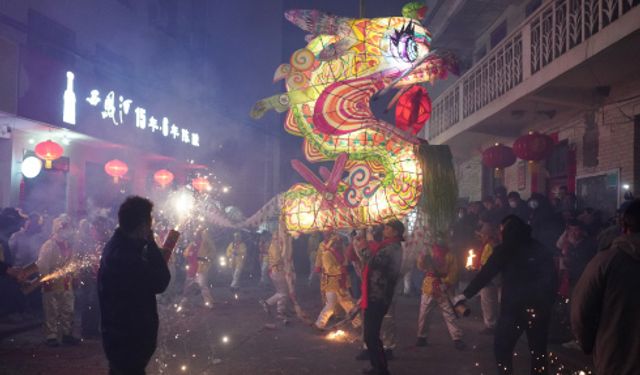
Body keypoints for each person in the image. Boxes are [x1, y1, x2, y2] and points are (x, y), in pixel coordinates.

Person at [458, 215, 557, 375]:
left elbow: (486, 274)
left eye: (502, 230)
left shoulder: (505, 249)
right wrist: (548, 303)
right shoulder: (540, 248)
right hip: (539, 309)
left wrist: (466, 294)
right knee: (538, 352)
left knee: (502, 348)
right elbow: (552, 279)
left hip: (513, 310)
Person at [98, 196, 171, 375]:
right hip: (128, 340)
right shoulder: (125, 256)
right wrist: (152, 245)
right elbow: (161, 281)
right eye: (149, 222)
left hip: (121, 339)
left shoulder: (120, 247)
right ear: (142, 225)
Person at [571, 199, 640, 375]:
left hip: (616, 359)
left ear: (623, 227)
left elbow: (581, 311)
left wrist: (589, 344)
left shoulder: (605, 261)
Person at [358, 220, 404, 375]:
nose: (384, 229)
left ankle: (381, 369)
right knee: (370, 334)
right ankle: (377, 367)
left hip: (378, 296)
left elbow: (374, 263)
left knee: (371, 335)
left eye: (388, 227)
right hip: (375, 294)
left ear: (396, 232)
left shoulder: (392, 248)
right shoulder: (387, 246)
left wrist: (364, 248)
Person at [36, 214, 81, 347]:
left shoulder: (68, 245)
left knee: (68, 309)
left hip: (66, 283)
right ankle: (52, 336)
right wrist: (45, 279)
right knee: (52, 310)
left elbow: (73, 263)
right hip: (52, 283)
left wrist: (75, 276)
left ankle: (67, 334)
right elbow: (43, 265)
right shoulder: (49, 245)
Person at [415, 234, 465, 350]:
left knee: (449, 314)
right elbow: (421, 267)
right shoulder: (430, 253)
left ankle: (457, 338)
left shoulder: (450, 256)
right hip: (429, 287)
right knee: (424, 314)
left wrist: (447, 283)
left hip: (443, 287)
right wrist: (422, 259)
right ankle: (421, 336)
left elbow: (454, 272)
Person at [313, 230, 361, 331]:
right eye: (337, 243)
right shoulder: (326, 254)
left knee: (347, 303)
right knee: (331, 305)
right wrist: (341, 269)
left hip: (341, 282)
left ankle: (358, 323)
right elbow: (330, 269)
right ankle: (319, 324)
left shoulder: (341, 253)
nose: (339, 245)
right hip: (332, 283)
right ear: (332, 243)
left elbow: (346, 263)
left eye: (340, 243)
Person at [260, 223, 292, 319]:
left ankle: (280, 312)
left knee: (282, 292)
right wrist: (286, 257)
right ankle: (267, 303)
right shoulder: (275, 247)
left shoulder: (275, 245)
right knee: (282, 293)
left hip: (276, 270)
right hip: (277, 271)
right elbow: (279, 259)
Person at [181, 228, 215, 308]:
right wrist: (189, 254)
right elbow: (185, 253)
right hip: (192, 268)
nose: (195, 235)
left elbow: (212, 253)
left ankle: (208, 301)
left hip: (201, 268)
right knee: (187, 285)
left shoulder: (206, 243)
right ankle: (185, 299)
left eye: (197, 234)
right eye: (195, 234)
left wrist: (205, 258)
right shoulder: (192, 244)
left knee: (202, 286)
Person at [476, 222, 500, 334]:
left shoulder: (489, 246)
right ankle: (492, 323)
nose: (481, 237)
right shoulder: (492, 244)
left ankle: (490, 325)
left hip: (489, 278)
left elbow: (486, 262)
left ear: (487, 235)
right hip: (493, 277)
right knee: (491, 301)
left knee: (488, 301)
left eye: (482, 235)